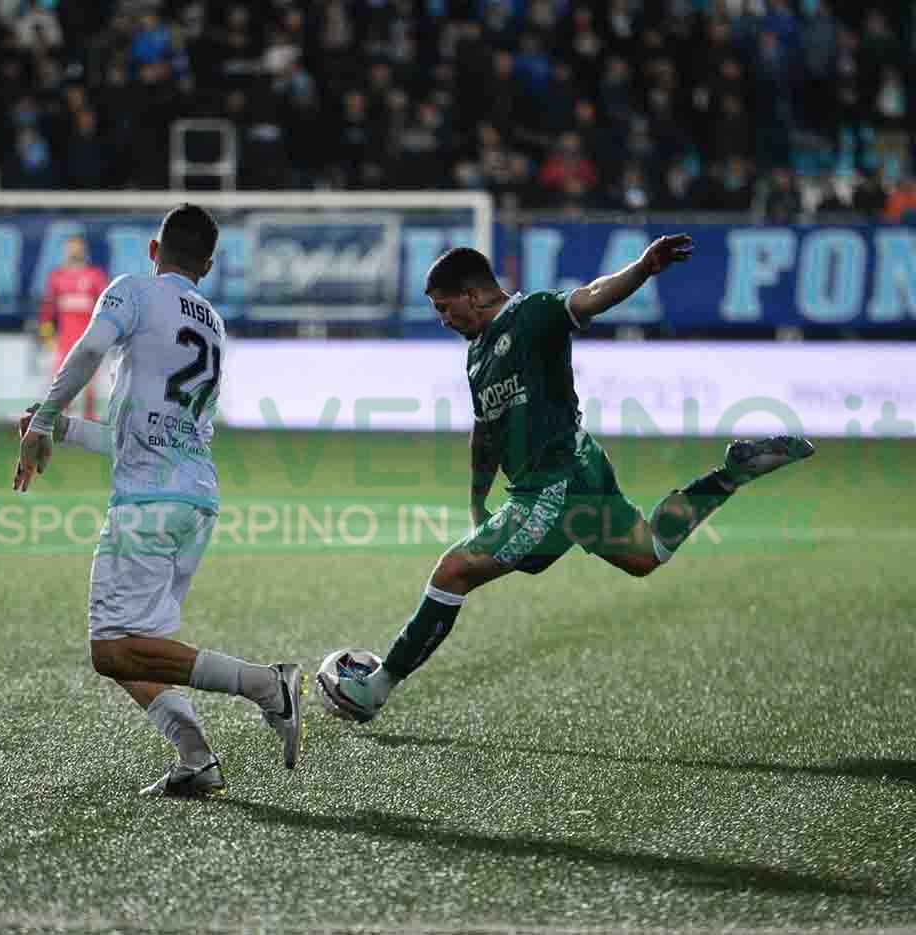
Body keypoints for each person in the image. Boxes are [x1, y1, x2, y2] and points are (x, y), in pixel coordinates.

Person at [319, 239, 815, 723]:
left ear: (472, 294)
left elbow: (591, 296)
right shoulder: (477, 355)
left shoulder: (532, 315)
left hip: (551, 486)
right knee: (646, 553)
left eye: (445, 308)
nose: (443, 320)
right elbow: (485, 433)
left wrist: (643, 268)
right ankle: (730, 474)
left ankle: (375, 688)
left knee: (452, 573)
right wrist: (477, 499)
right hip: (578, 471)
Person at [15, 204, 303, 798]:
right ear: (208, 266)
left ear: (153, 250)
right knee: (134, 648)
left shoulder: (134, 292)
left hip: (148, 503)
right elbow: (147, 435)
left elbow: (89, 350)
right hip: (192, 500)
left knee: (112, 650)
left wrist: (43, 420)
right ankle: (195, 757)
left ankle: (267, 686)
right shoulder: (213, 323)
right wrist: (63, 429)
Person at [37, 235, 109, 420]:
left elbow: (106, 308)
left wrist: (104, 336)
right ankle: (62, 425)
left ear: (84, 250)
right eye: (71, 248)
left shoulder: (95, 276)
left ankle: (90, 422)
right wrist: (47, 337)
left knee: (90, 386)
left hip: (89, 341)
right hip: (64, 343)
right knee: (62, 386)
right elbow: (47, 311)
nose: (74, 252)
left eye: (77, 248)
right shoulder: (57, 277)